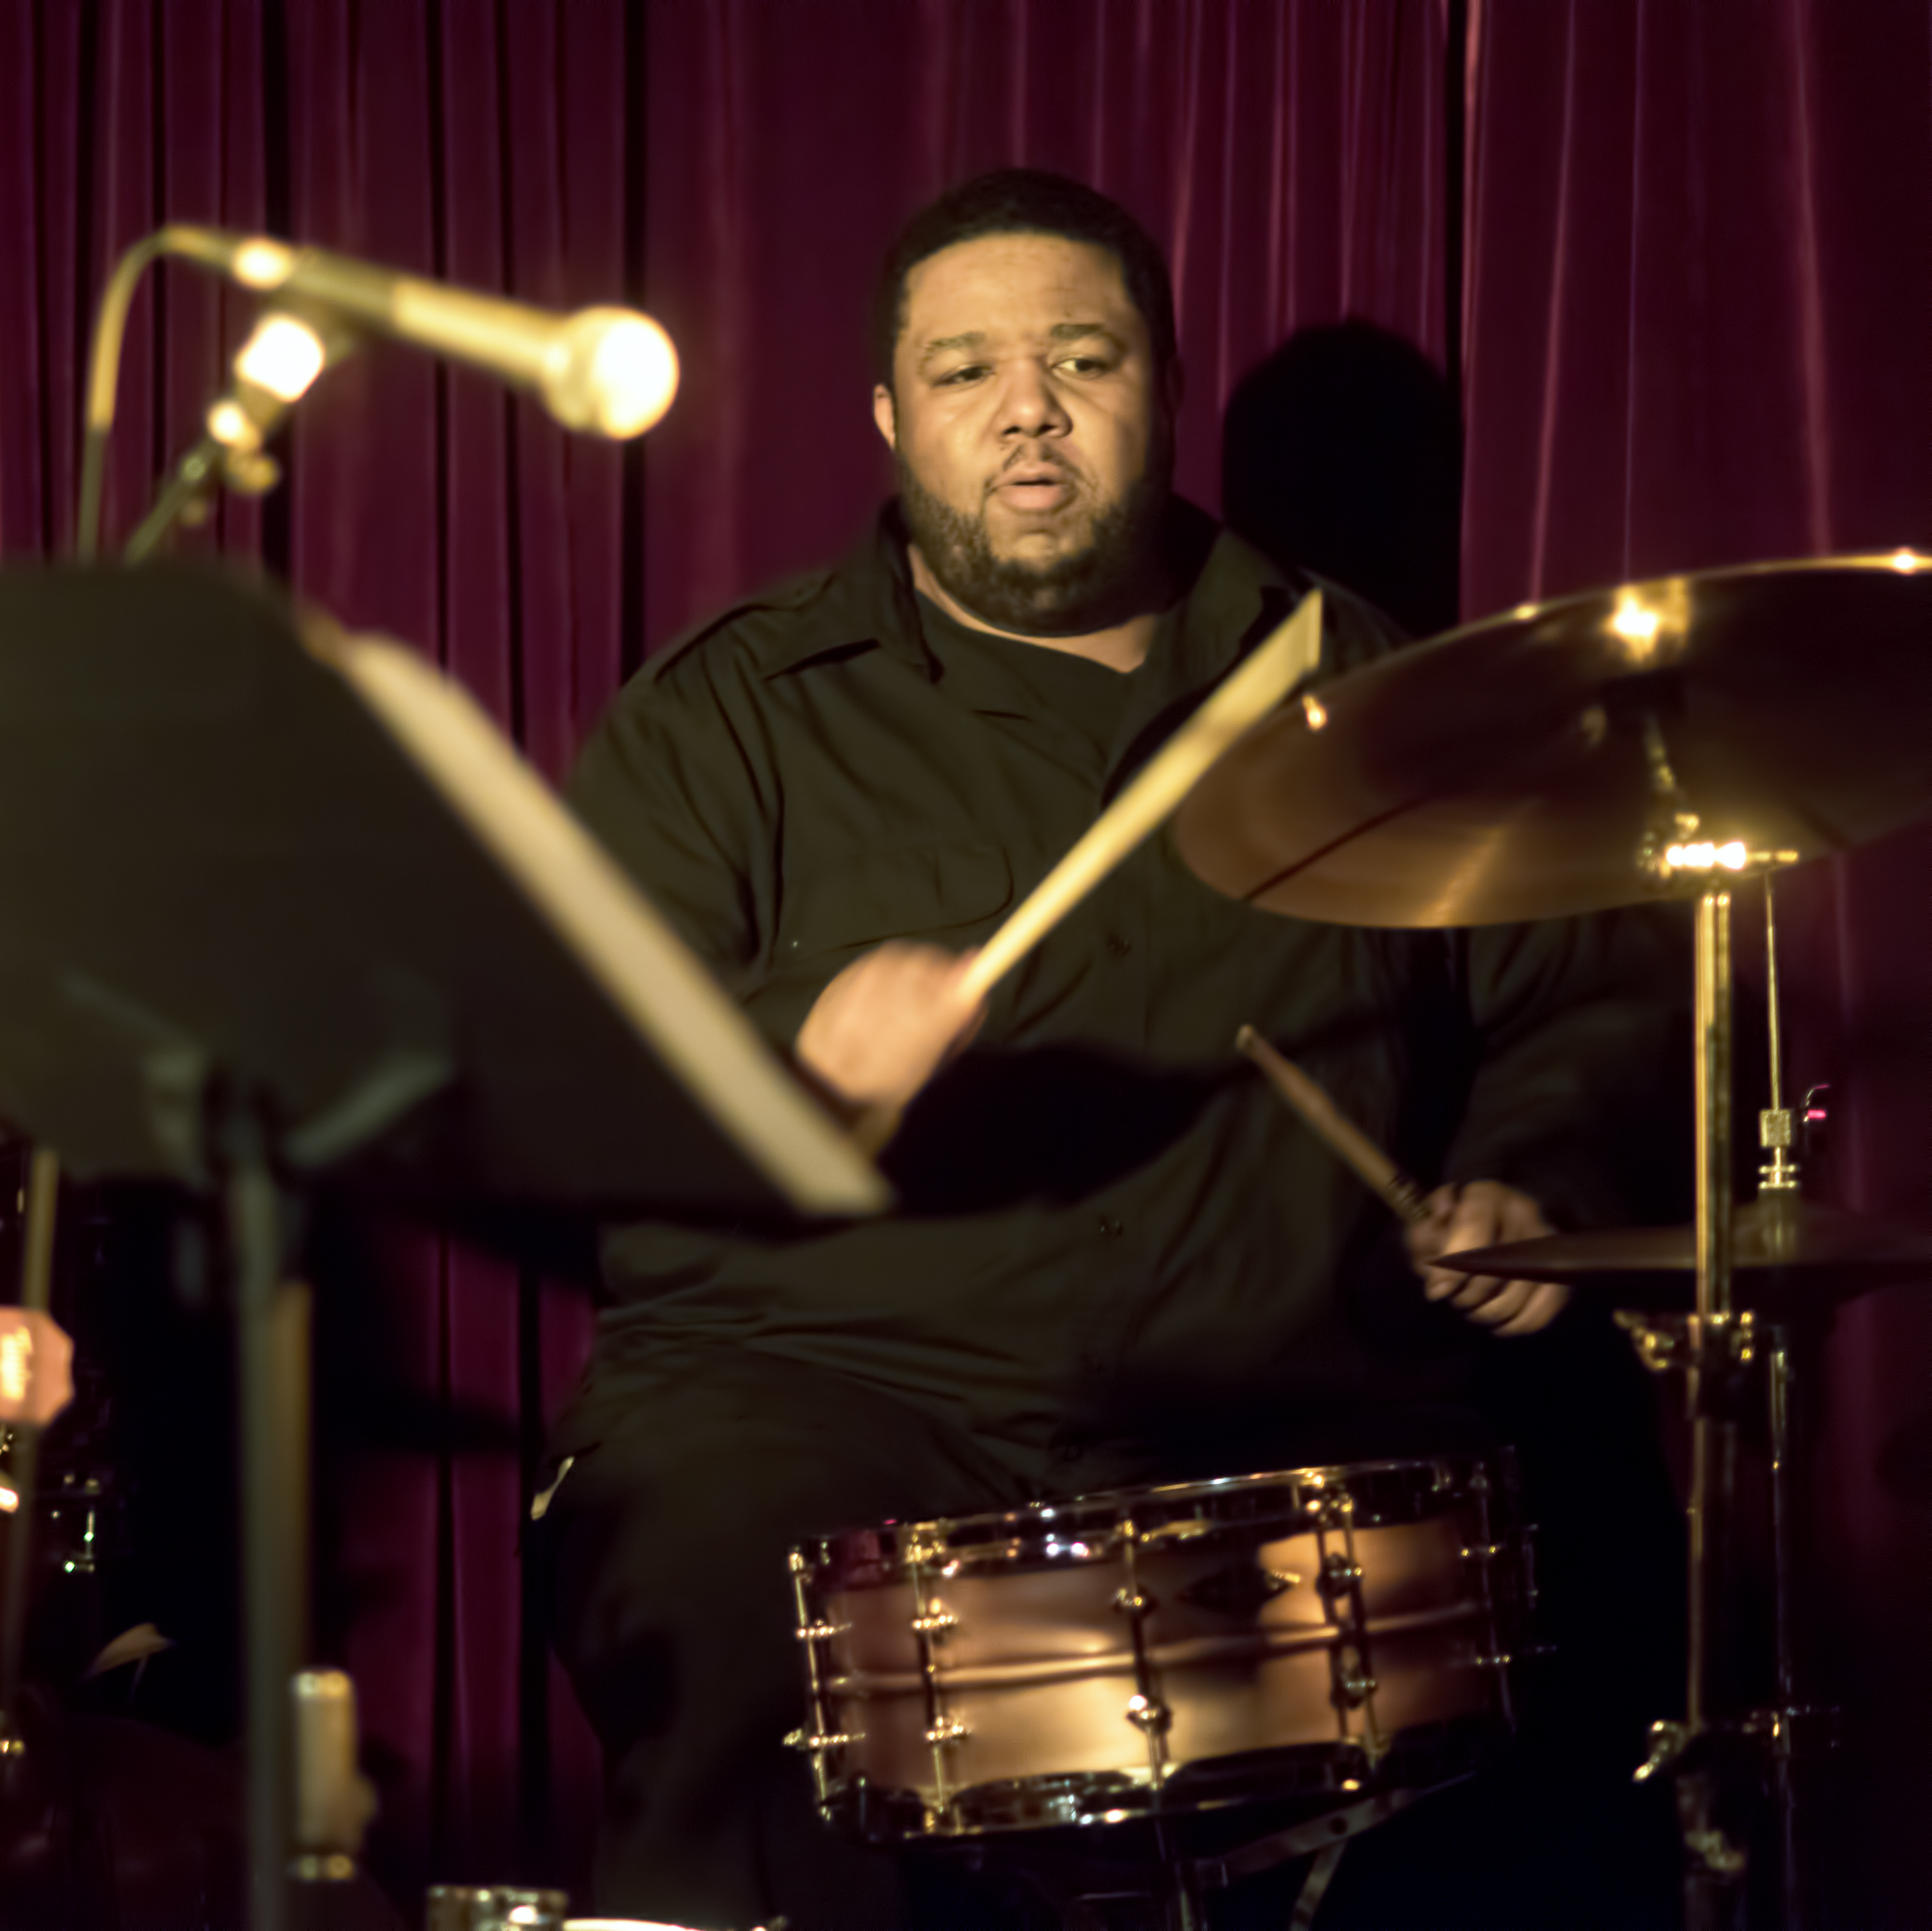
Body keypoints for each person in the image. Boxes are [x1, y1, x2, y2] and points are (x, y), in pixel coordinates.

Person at [545, 170, 1686, 1931]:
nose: (1027, 408)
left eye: (1083, 358)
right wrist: (795, 1055)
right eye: (965, 369)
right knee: (709, 1593)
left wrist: (1540, 1169)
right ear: (886, 413)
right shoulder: (728, 719)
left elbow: (1581, 996)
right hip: (833, 1408)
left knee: (1557, 1655)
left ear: (1158, 386)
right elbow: (564, 1085)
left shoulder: (1351, 680)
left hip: (1279, 1422)